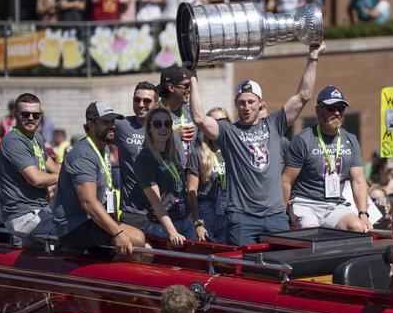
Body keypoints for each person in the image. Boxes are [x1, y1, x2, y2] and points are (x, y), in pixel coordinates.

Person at [190, 42, 325, 246]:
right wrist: (193, 77)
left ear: (260, 102)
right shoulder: (229, 131)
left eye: (251, 102)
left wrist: (313, 57)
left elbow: (304, 96)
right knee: (243, 269)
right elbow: (199, 118)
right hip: (242, 218)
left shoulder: (274, 123)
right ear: (235, 104)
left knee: (282, 266)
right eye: (241, 102)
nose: (246, 107)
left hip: (275, 217)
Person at [53, 101, 146, 256]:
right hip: (75, 226)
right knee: (137, 239)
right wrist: (117, 233)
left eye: (112, 121)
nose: (112, 125)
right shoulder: (83, 154)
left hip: (91, 221)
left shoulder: (103, 148)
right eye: (105, 121)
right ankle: (117, 278)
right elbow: (88, 202)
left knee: (147, 247)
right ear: (91, 124)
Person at [282, 85, 371, 233]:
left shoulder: (350, 139)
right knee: (314, 236)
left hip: (334, 205)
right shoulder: (304, 139)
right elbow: (286, 180)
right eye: (331, 108)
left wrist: (363, 213)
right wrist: (282, 214)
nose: (336, 112)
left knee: (358, 228)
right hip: (305, 203)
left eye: (341, 108)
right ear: (318, 111)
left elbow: (359, 180)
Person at [0, 93, 58, 248]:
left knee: (36, 260)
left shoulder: (36, 137)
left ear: (40, 116)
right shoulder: (13, 141)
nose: (31, 118)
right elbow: (36, 179)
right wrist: (65, 175)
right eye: (25, 114)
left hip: (38, 211)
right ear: (15, 114)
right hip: (22, 216)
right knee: (74, 232)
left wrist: (78, 164)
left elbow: (54, 167)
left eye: (35, 114)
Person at [133, 108, 197, 246]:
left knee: (194, 265)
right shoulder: (145, 158)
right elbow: (156, 202)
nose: (163, 128)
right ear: (149, 128)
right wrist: (172, 232)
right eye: (157, 124)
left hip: (185, 220)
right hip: (163, 228)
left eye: (167, 124)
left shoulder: (171, 153)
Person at [115, 82, 158, 231]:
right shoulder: (121, 125)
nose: (140, 104)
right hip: (132, 211)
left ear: (156, 104)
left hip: (161, 210)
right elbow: (96, 132)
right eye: (136, 100)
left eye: (146, 101)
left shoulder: (164, 128)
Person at [186, 107, 231, 243]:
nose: (219, 125)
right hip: (206, 212)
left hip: (229, 212)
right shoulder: (198, 153)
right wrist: (197, 224)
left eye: (224, 121)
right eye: (214, 121)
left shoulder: (234, 152)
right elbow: (191, 191)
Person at [157, 66, 197, 166]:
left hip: (191, 174)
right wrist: (174, 136)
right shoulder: (155, 114)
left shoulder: (191, 111)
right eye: (186, 86)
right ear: (171, 87)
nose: (189, 90)